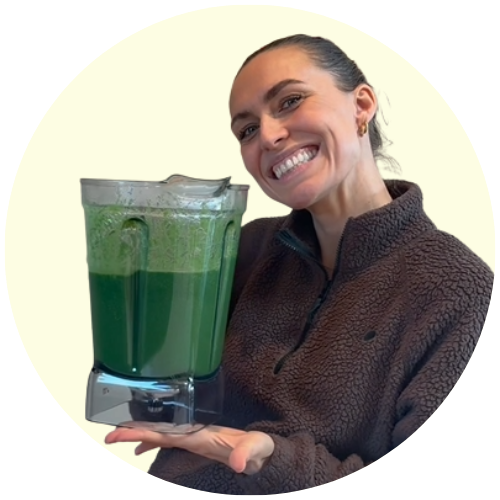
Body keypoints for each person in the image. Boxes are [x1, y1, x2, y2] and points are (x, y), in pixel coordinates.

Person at [104, 34, 494, 493]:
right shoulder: (246, 249)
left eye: (290, 101)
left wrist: (274, 460)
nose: (268, 136)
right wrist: (164, 237)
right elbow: (150, 390)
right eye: (247, 130)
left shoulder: (459, 293)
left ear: (361, 106)